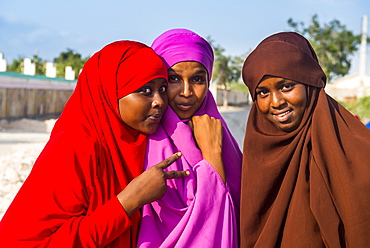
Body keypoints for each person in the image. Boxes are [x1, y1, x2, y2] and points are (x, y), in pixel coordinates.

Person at [0, 40, 189, 247]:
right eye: (145, 91)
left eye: (162, 88)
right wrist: (129, 201)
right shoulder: (75, 145)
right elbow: (22, 242)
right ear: (110, 91)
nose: (159, 101)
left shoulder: (150, 142)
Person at [240, 32, 370, 247]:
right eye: (262, 92)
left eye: (286, 87)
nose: (276, 102)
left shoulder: (358, 150)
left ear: (310, 85)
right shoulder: (258, 151)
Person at [137, 28, 242, 247]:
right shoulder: (144, 136)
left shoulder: (220, 134)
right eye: (174, 78)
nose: (186, 92)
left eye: (197, 79)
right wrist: (212, 158)